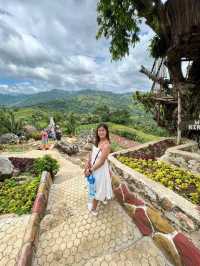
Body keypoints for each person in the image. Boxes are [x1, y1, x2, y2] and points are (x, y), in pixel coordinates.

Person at [84, 123, 113, 216]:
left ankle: (93, 208)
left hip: (99, 170)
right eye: (99, 130)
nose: (101, 132)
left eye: (103, 130)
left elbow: (101, 161)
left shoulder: (107, 145)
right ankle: (103, 198)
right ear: (97, 132)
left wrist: (91, 170)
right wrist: (87, 164)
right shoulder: (97, 141)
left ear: (106, 132)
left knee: (98, 188)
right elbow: (91, 153)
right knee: (95, 186)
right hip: (92, 167)